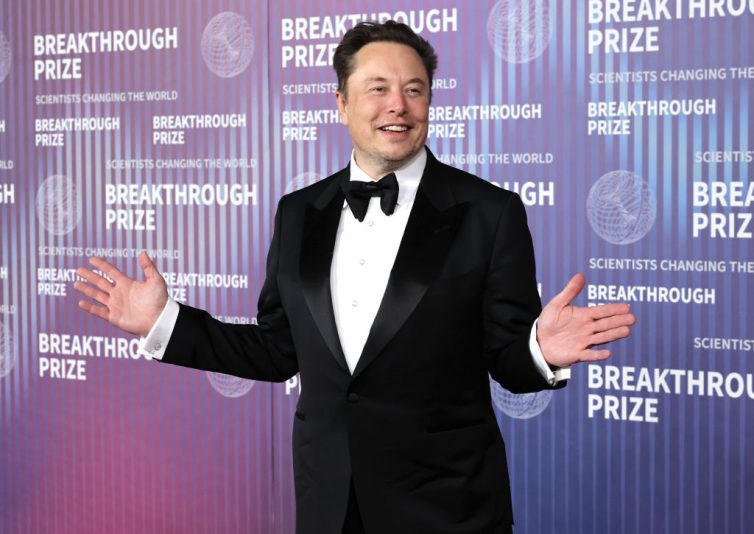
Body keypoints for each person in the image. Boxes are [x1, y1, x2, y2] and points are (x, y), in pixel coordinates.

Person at [74, 21, 635, 534]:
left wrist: (541, 349)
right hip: (329, 504)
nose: (399, 105)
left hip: (447, 509)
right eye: (378, 88)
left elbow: (507, 359)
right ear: (341, 103)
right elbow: (276, 350)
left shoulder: (489, 213)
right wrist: (164, 323)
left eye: (415, 89)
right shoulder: (299, 212)